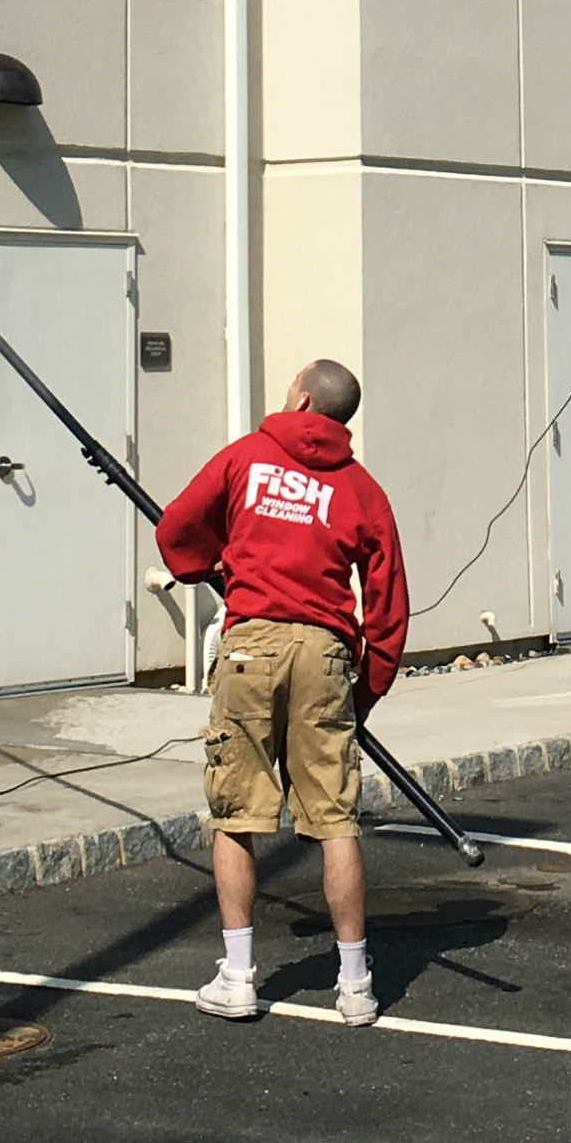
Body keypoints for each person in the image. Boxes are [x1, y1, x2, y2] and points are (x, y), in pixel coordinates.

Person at [156, 358, 408, 1024]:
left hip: (252, 645)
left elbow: (177, 527)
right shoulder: (362, 491)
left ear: (299, 395)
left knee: (236, 811)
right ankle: (355, 984)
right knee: (333, 820)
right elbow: (387, 603)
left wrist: (206, 567)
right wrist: (367, 689)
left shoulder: (248, 457)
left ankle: (238, 975)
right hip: (324, 652)